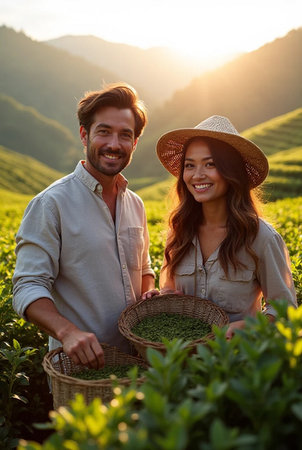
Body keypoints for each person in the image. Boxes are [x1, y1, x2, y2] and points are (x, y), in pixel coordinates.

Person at [12, 83, 155, 368]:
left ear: (134, 144)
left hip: (137, 365)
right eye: (104, 131)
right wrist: (68, 332)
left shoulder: (135, 204)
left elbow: (144, 269)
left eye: (125, 135)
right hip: (80, 370)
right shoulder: (51, 204)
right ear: (84, 134)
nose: (114, 144)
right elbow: (27, 286)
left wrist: (149, 293)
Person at [143, 115, 297, 338]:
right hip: (185, 364)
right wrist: (162, 298)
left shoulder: (261, 238)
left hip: (236, 363)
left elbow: (285, 310)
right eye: (190, 165)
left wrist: (247, 327)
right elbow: (171, 292)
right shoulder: (179, 233)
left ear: (231, 171)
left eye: (210, 164)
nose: (197, 175)